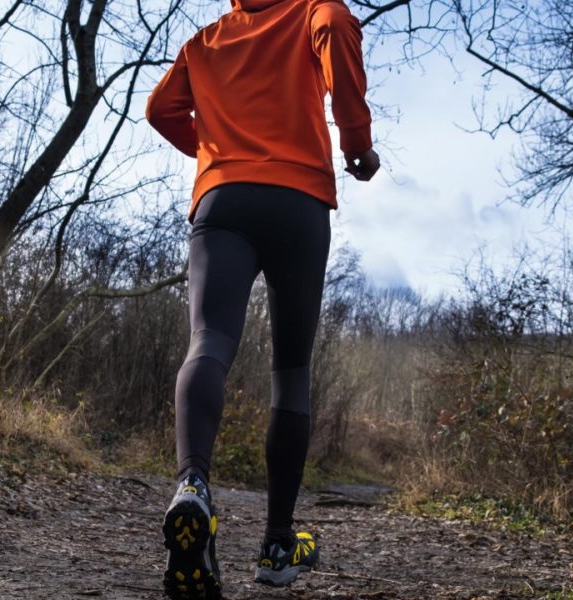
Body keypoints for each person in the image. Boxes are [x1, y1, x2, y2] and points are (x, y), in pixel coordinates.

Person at [145, 0, 379, 597]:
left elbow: (159, 109)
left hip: (223, 197)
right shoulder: (311, 11)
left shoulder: (205, 41)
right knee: (291, 374)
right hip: (298, 201)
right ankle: (277, 543)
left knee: (208, 341)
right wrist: (356, 144)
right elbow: (336, 28)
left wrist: (212, 147)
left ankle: (193, 485)